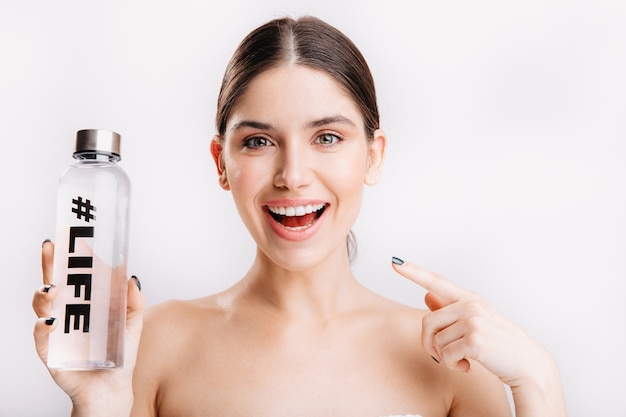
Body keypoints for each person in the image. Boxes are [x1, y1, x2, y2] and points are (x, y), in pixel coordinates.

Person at [33, 15, 567, 417]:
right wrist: (98, 403)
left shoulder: (452, 361)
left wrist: (539, 383)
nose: (293, 174)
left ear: (373, 155)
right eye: (260, 141)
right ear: (222, 162)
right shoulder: (153, 343)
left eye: (327, 137)